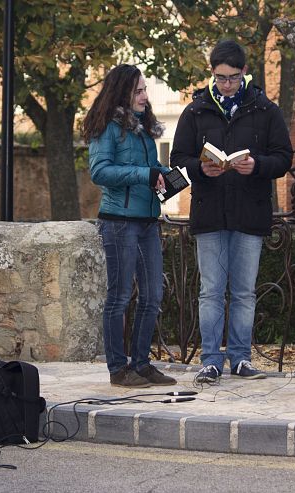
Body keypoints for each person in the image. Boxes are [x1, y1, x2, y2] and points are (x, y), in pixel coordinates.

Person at [170, 40, 293, 383]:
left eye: (233, 78)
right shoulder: (195, 111)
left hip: (249, 213)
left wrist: (256, 165)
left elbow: (284, 156)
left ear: (244, 73)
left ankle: (240, 357)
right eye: (221, 78)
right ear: (212, 73)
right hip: (209, 212)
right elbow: (177, 158)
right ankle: (210, 359)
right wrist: (200, 168)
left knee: (243, 291)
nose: (227, 85)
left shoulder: (265, 110)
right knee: (211, 290)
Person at [83, 64, 176, 388]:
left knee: (153, 295)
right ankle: (117, 369)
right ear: (122, 92)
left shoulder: (142, 128)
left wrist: (168, 175)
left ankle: (141, 363)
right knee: (120, 296)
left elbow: (146, 168)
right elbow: (100, 172)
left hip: (148, 220)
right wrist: (144, 175)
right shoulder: (106, 126)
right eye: (139, 90)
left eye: (145, 89)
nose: (145, 96)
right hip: (119, 223)